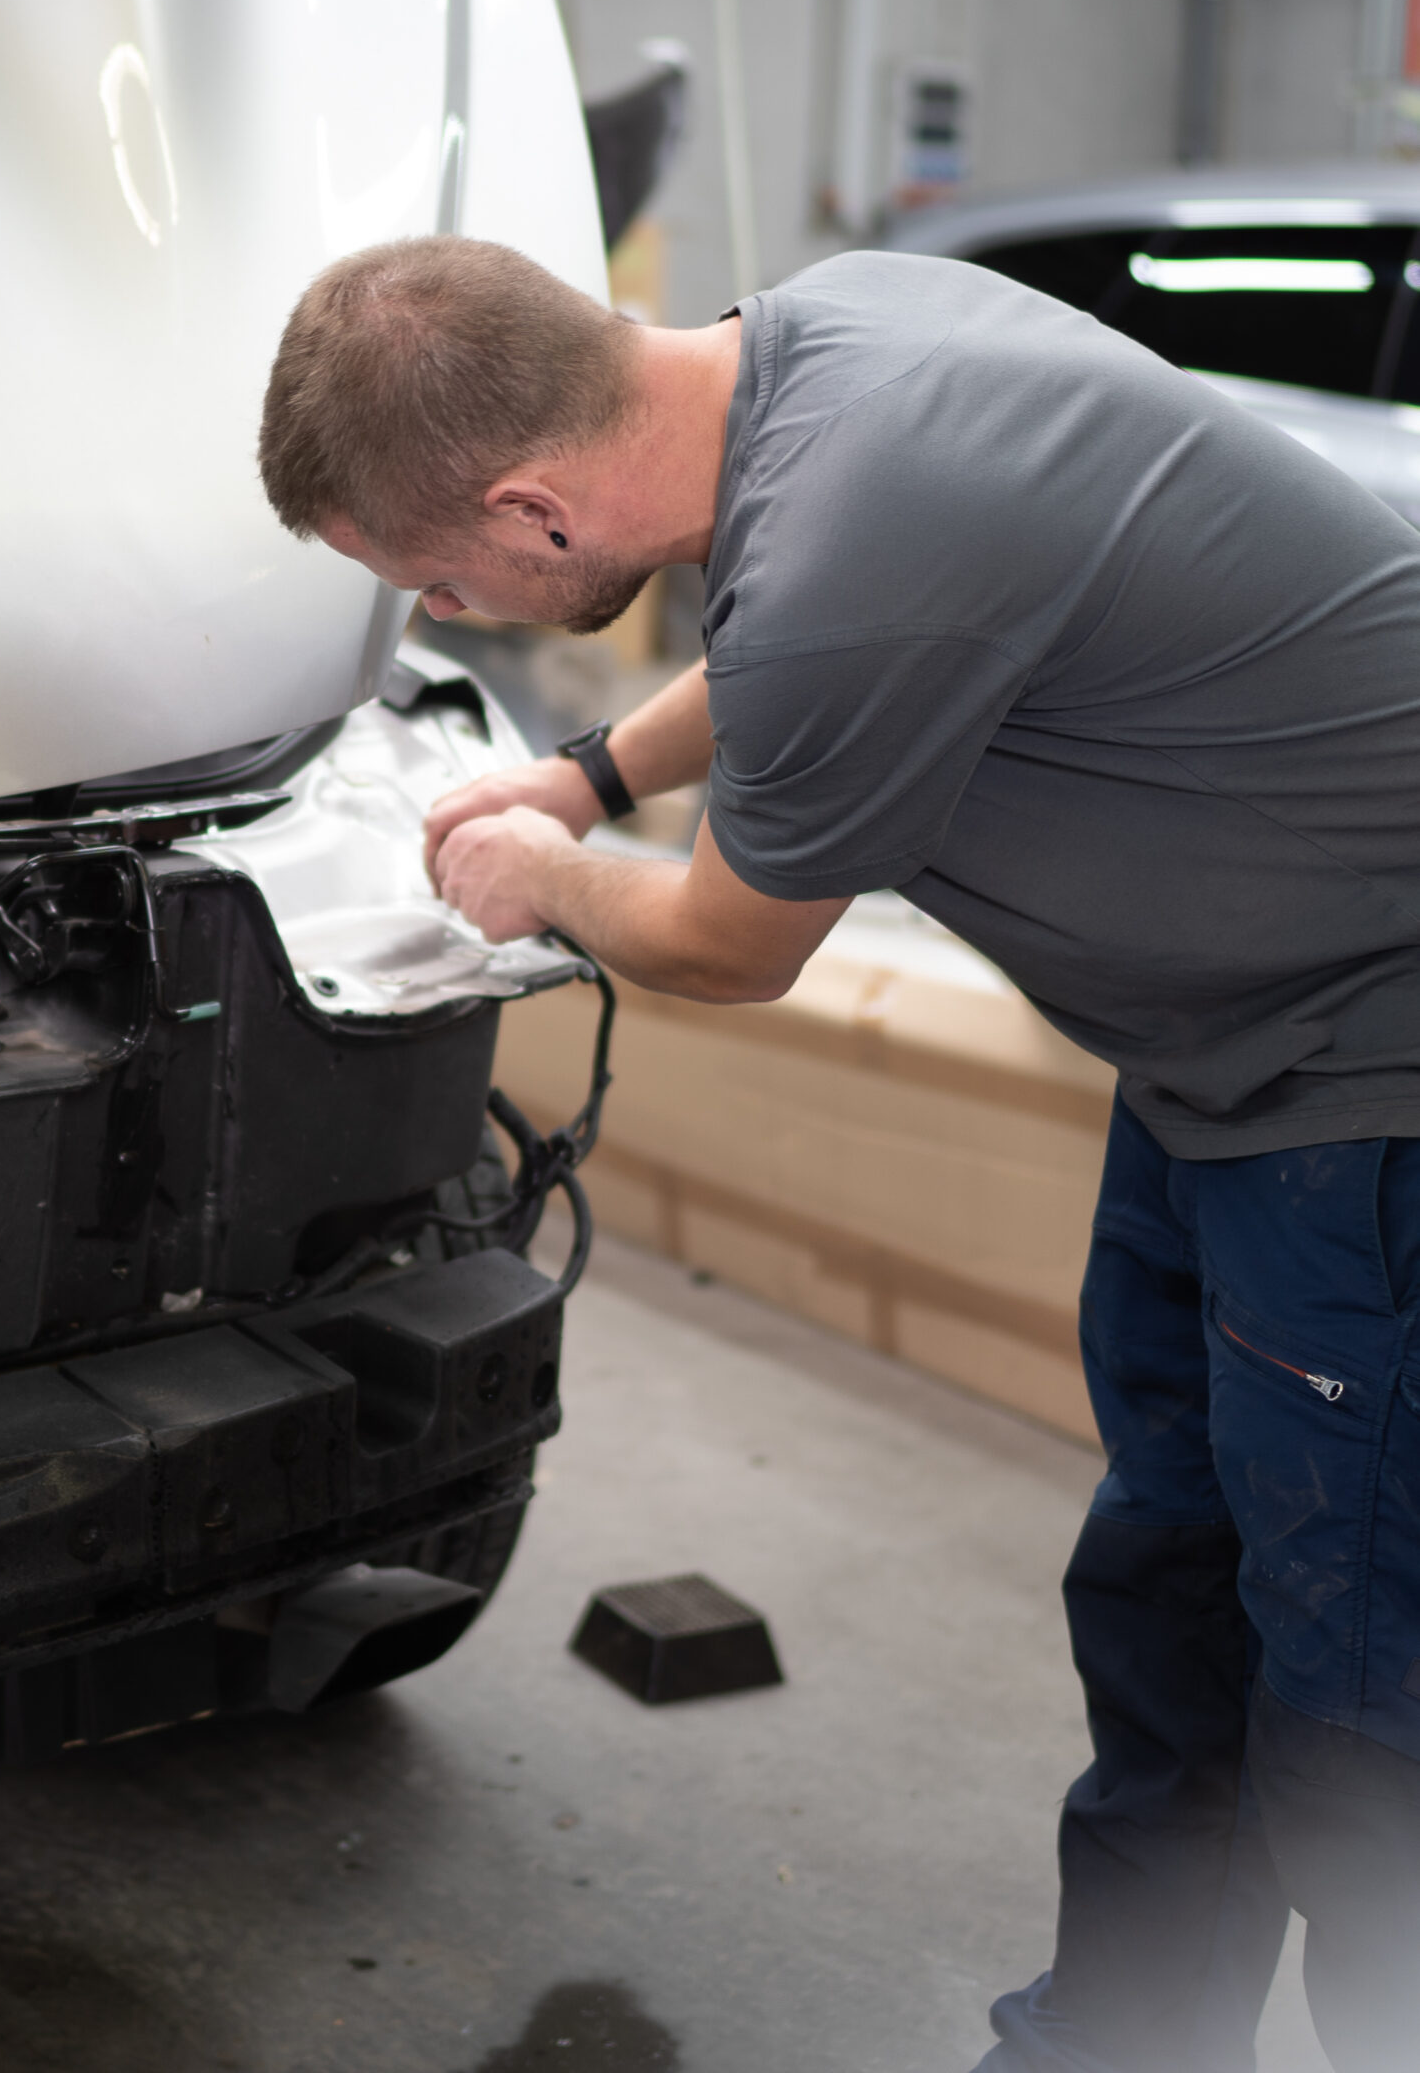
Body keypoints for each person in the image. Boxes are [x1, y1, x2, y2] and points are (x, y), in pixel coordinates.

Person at [257, 233, 1420, 2073]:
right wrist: (587, 779)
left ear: (534, 511)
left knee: (1368, 1717)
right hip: (1229, 1072)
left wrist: (539, 875)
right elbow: (805, 642)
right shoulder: (827, 347)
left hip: (1375, 1100)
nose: (451, 614)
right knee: (1175, 1606)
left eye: (439, 578)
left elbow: (734, 939)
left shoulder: (852, 543)